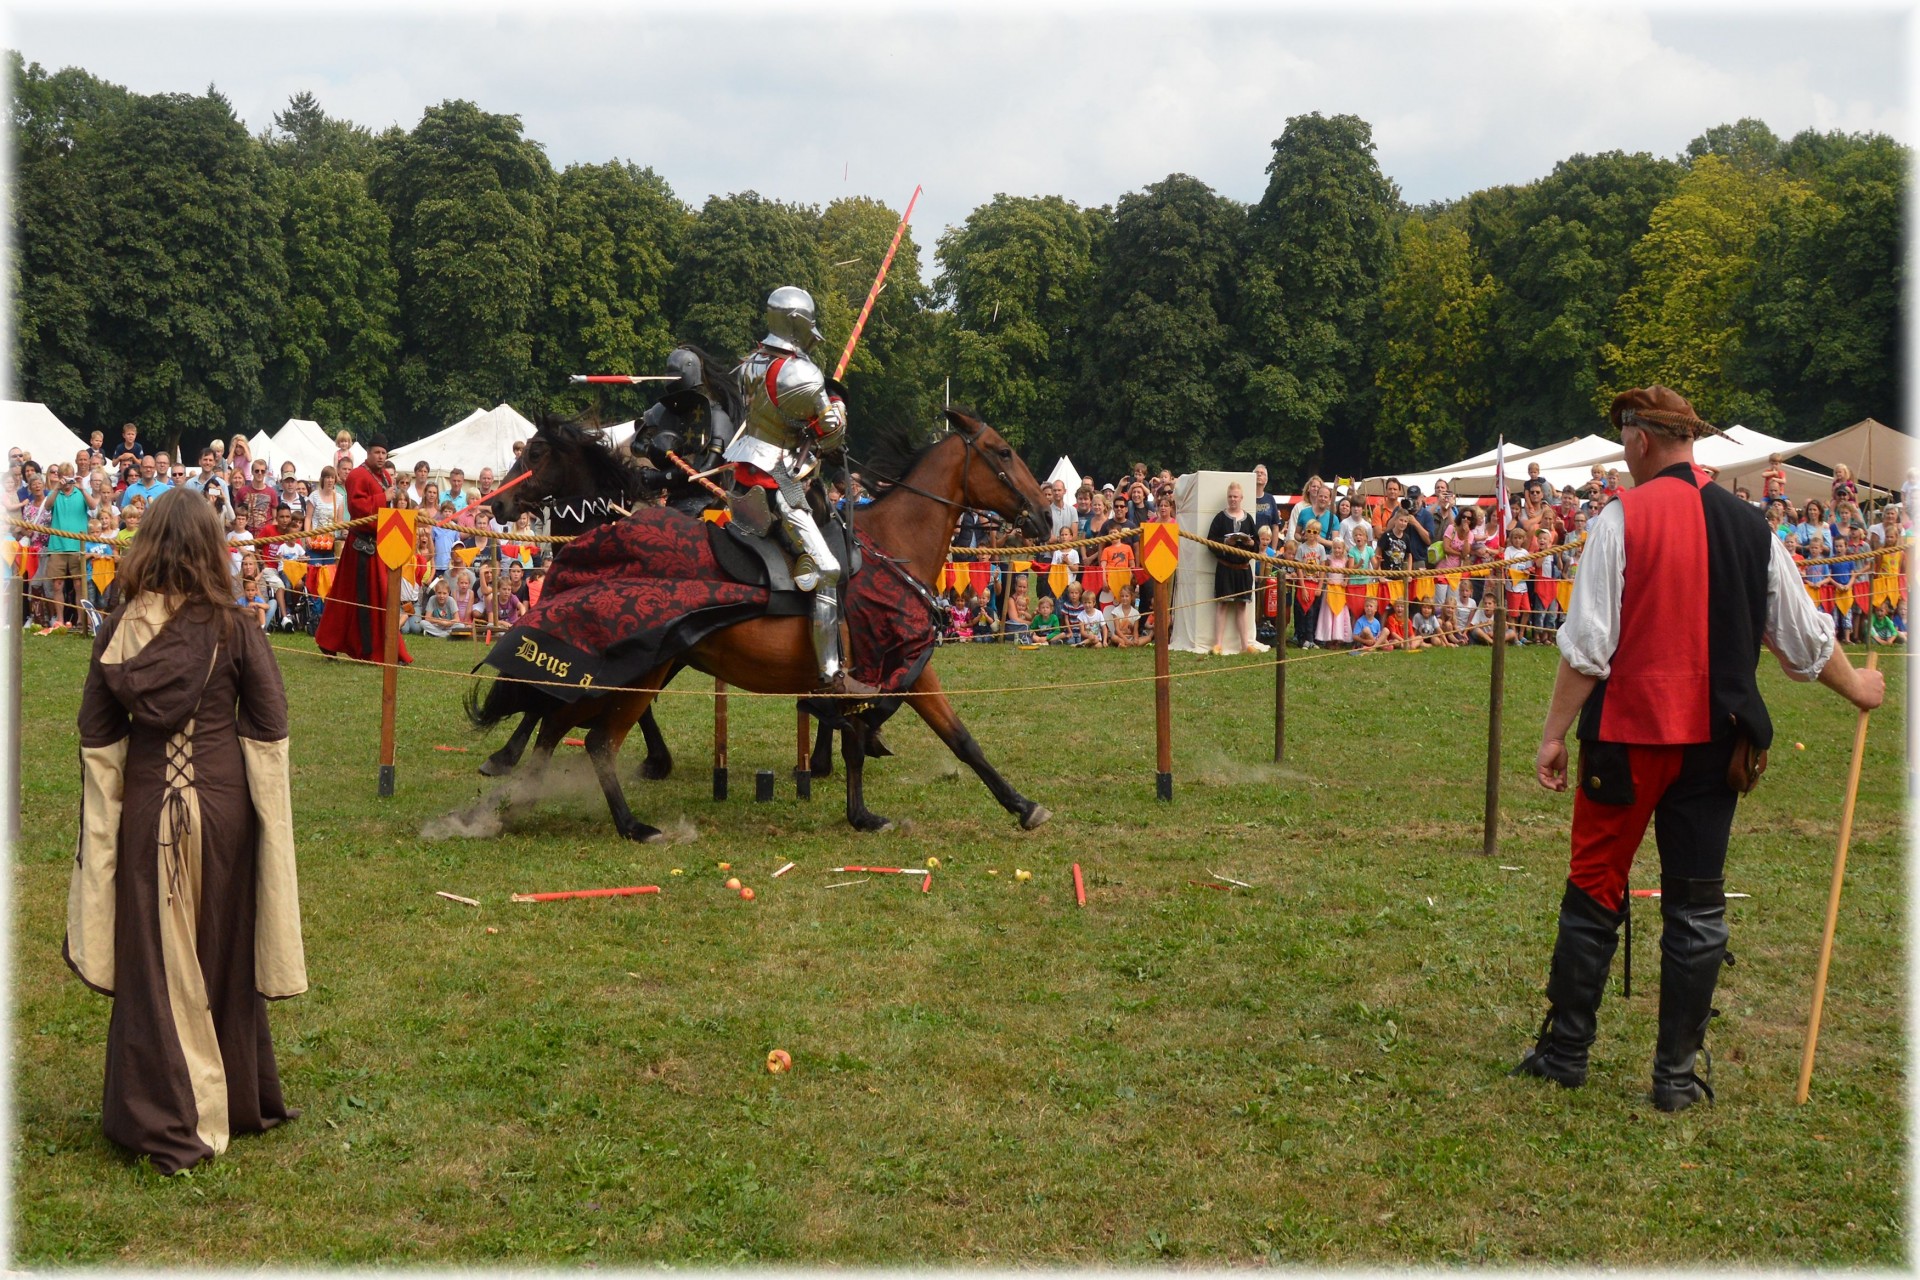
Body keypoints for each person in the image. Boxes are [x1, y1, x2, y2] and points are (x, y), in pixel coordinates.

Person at [1515, 386, 1883, 1113]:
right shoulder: (1753, 530)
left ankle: (1566, 1054)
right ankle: (1675, 1079)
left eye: (1625, 438)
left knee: (1594, 885)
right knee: (1695, 900)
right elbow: (1803, 641)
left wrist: (1555, 734)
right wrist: (1859, 688)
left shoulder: (1620, 520)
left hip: (1627, 740)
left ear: (1642, 440)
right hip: (1718, 745)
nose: (1623, 452)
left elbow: (1588, 650)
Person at [65, 488, 305, 1175]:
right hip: (224, 808)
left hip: (147, 812)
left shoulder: (117, 632)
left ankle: (167, 1106)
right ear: (210, 547)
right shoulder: (234, 627)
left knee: (154, 958)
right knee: (221, 949)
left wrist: (103, 838)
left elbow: (99, 740)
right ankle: (217, 1102)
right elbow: (268, 723)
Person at [723, 286, 865, 695]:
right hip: (779, 478)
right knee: (829, 569)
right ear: (798, 323)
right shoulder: (801, 374)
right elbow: (830, 437)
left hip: (746, 467)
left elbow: (776, 417)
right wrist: (837, 406)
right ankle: (829, 673)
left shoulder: (750, 362)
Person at [315, 435, 411, 665]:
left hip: (379, 545)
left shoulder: (386, 476)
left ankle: (386, 649)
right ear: (368, 453)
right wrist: (382, 497)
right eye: (377, 452)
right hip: (360, 548)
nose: (380, 456)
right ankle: (348, 646)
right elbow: (356, 508)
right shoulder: (357, 475)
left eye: (383, 453)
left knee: (380, 596)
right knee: (353, 598)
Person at [1208, 481, 1263, 655]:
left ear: (1241, 498)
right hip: (1225, 568)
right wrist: (1226, 542)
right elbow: (1210, 542)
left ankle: (1244, 645)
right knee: (1223, 604)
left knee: (1241, 607)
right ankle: (1217, 644)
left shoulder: (1248, 519)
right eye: (1230, 496)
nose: (1233, 500)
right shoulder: (1220, 518)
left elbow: (1257, 545)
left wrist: (1251, 542)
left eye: (1236, 497)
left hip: (1243, 569)